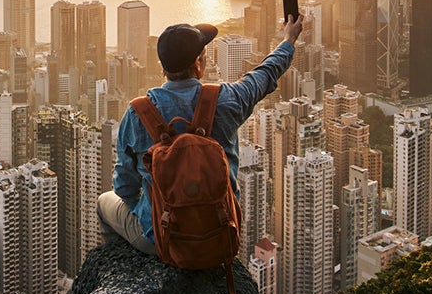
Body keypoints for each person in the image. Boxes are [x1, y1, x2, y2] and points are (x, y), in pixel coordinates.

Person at [98, 13, 305, 255]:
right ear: (198, 63)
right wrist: (289, 39)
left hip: (160, 239)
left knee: (105, 202)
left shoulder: (138, 113)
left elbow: (124, 187)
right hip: (220, 232)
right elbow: (265, 74)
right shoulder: (228, 100)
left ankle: (124, 270)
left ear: (163, 67)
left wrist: (149, 213)